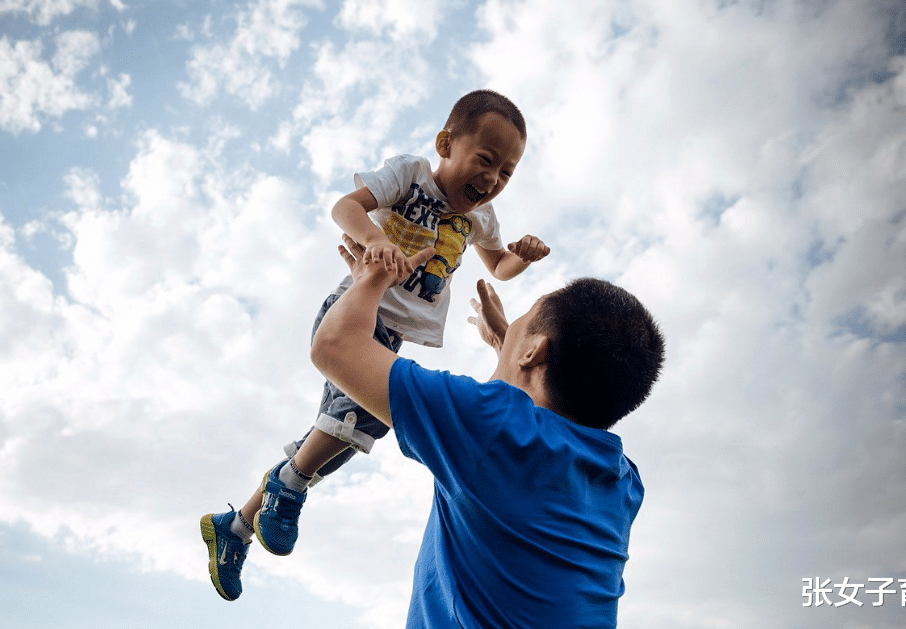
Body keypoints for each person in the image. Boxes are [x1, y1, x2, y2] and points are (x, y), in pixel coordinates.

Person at [202, 89, 551, 601]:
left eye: (506, 173)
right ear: (446, 144)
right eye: (486, 160)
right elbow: (345, 207)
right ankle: (287, 487)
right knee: (360, 423)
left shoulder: (481, 221)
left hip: (392, 336)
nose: (493, 180)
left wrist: (521, 256)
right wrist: (374, 239)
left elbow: (498, 266)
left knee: (342, 441)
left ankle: (235, 528)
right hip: (355, 312)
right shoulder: (410, 175)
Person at [309, 236, 665, 628]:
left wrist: (371, 279)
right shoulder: (623, 482)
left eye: (523, 320)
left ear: (534, 352)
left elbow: (335, 346)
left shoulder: (490, 425)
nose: (512, 327)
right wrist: (509, 347)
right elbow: (530, 433)